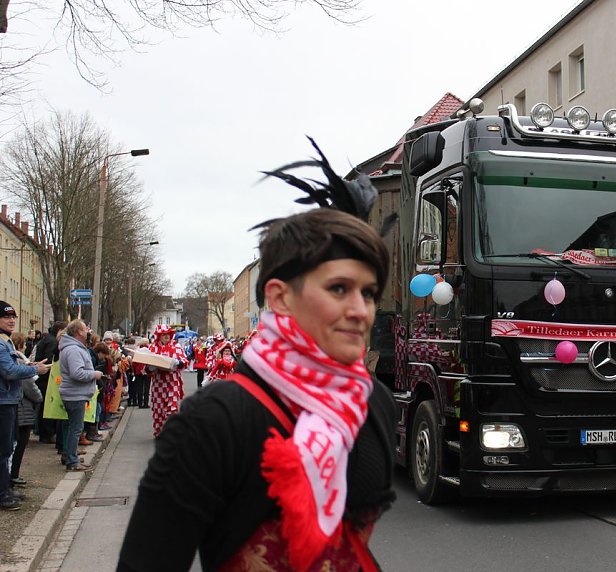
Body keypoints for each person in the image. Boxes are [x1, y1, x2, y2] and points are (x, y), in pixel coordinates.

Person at [119, 152, 396, 571]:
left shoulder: (375, 402)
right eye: (339, 289)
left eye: (369, 293)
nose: (361, 310)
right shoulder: (211, 421)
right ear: (280, 297)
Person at [0, 302, 49, 510]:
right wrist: (34, 370)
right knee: (3, 450)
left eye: (13, 317)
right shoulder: (1, 343)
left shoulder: (6, 341)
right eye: (6, 317)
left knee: (7, 448)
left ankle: (6, 488)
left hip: (9, 400)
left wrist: (29, 366)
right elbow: (9, 371)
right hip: (3, 402)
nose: (11, 320)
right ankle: (3, 494)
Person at [58, 319, 103, 472]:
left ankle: (70, 456)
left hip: (75, 393)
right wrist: (94, 374)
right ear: (78, 332)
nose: (88, 331)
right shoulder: (73, 349)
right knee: (76, 428)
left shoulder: (73, 347)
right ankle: (72, 461)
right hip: (74, 394)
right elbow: (77, 373)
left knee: (73, 427)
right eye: (85, 329)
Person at [10, 332, 43, 489]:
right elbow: (29, 385)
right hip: (23, 409)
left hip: (18, 408)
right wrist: (39, 397)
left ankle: (12, 476)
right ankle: (13, 476)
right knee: (18, 446)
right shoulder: (19, 361)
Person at [145, 324, 189, 437]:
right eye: (164, 334)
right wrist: (150, 367)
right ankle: (160, 432)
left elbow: (185, 362)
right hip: (158, 383)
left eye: (168, 334)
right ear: (159, 336)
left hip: (172, 382)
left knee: (172, 409)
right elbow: (145, 368)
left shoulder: (176, 346)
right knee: (158, 410)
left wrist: (178, 363)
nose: (166, 336)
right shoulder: (153, 348)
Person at [34, 321, 66, 444]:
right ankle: (47, 433)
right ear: (60, 330)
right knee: (48, 407)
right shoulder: (52, 342)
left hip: (43, 378)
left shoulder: (47, 339)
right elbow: (50, 360)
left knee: (44, 406)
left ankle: (44, 433)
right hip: (47, 378)